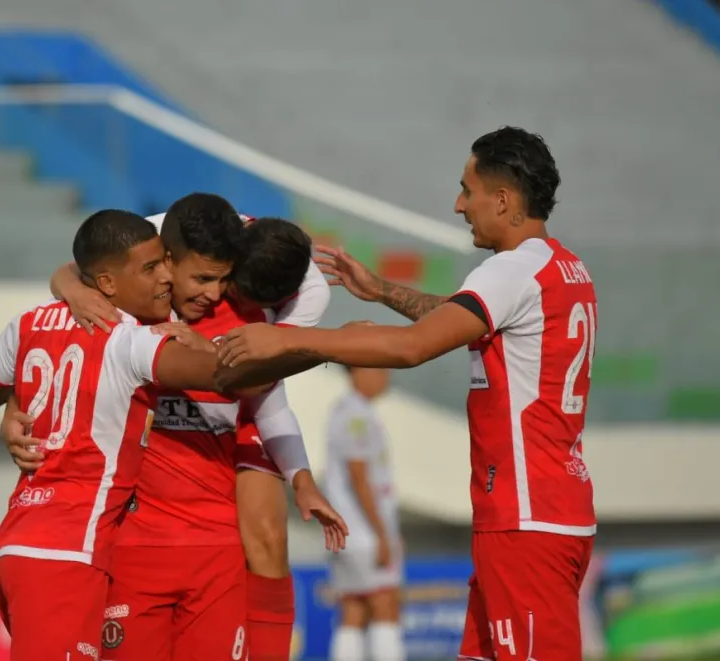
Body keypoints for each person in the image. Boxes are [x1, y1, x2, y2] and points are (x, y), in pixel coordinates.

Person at [218, 127, 598, 661]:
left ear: (504, 199)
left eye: (468, 190)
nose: (459, 204)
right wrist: (381, 291)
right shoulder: (561, 268)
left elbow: (414, 347)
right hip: (548, 507)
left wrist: (288, 339)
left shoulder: (511, 271)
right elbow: (461, 315)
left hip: (526, 515)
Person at [1, 194, 345, 661]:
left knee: (267, 531)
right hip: (144, 510)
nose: (219, 296)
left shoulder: (301, 297)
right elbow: (72, 284)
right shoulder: (149, 259)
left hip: (236, 405)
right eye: (207, 279)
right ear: (164, 260)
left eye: (228, 285)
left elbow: (263, 387)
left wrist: (302, 479)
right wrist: (16, 403)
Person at [0, 209, 259, 661]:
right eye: (151, 268)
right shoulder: (128, 340)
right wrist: (316, 346)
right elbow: (233, 377)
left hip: (18, 546)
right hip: (65, 553)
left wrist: (20, 401)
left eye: (165, 263)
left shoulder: (27, 324)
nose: (166, 278)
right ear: (108, 284)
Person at [326, 366, 404, 661]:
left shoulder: (346, 411)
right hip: (365, 533)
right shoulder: (356, 415)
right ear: (358, 371)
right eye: (380, 369)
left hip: (349, 532)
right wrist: (383, 534)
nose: (387, 375)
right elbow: (359, 476)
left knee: (353, 609)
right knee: (385, 605)